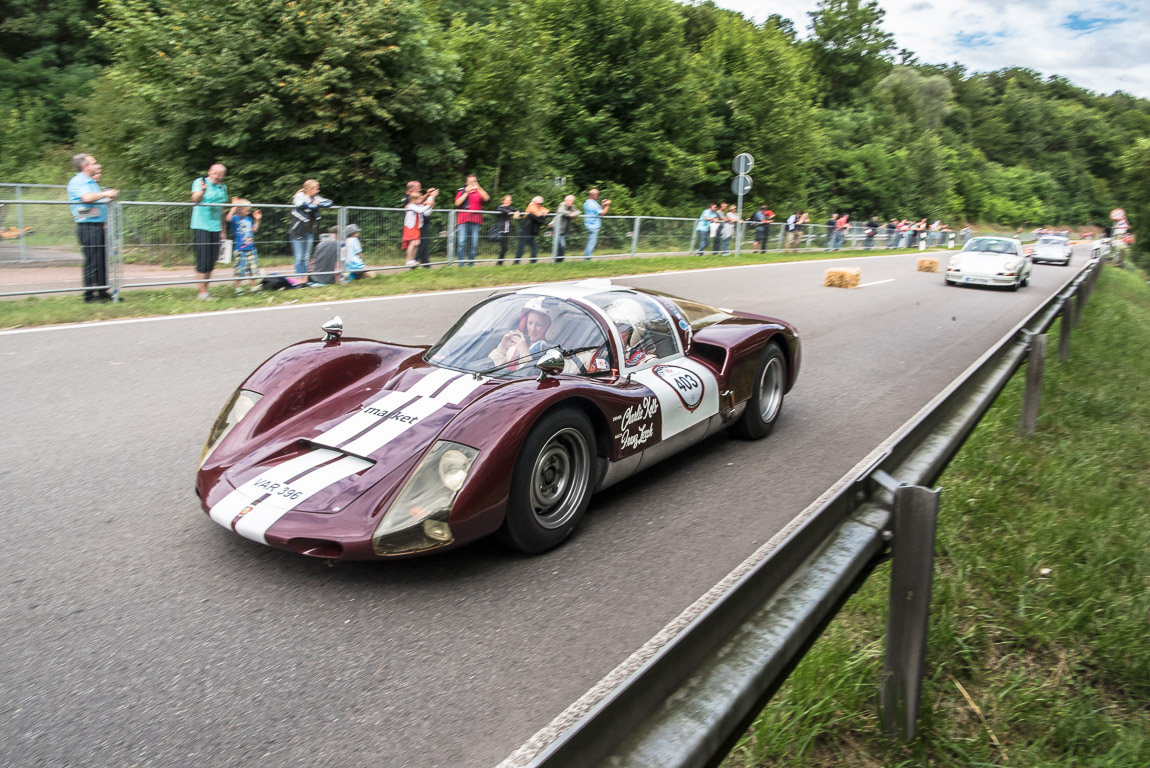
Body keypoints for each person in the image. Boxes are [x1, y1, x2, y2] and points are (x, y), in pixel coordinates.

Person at [67, 153, 119, 302]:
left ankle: (103, 292)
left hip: (98, 225)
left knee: (101, 261)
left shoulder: (91, 182)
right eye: (94, 163)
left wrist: (109, 197)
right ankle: (89, 296)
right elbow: (87, 198)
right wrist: (106, 193)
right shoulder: (78, 181)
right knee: (92, 261)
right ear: (85, 166)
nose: (97, 166)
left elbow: (96, 201)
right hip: (87, 226)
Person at [190, 163, 228, 300]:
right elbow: (194, 200)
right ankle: (202, 293)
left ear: (223, 175)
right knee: (203, 261)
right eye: (214, 172)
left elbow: (222, 210)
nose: (217, 176)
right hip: (201, 225)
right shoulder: (200, 182)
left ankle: (206, 291)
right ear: (209, 172)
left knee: (211, 261)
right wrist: (203, 191)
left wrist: (223, 230)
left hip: (216, 227)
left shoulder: (222, 187)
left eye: (220, 174)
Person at [489, 298, 553, 369]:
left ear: (548, 327)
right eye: (530, 323)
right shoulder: (515, 346)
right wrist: (503, 347)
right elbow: (494, 368)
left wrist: (524, 354)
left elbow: (531, 376)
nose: (532, 329)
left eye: (539, 325)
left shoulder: (551, 354)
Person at [289, 179, 332, 277]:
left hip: (309, 230)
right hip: (297, 232)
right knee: (299, 257)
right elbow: (300, 204)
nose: (318, 191)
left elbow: (329, 203)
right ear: (310, 189)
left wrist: (319, 204)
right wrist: (314, 205)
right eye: (317, 188)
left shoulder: (316, 197)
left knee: (306, 256)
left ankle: (305, 277)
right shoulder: (300, 196)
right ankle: (299, 278)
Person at [226, 198, 262, 293]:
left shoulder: (248, 219)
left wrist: (257, 220)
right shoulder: (235, 218)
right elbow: (228, 219)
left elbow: (254, 230)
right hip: (239, 249)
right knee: (239, 269)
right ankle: (238, 288)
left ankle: (253, 287)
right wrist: (233, 207)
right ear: (240, 209)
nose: (249, 212)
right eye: (247, 210)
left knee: (253, 269)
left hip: (251, 248)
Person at [454, 174, 489, 266]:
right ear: (466, 183)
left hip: (476, 221)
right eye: (470, 181)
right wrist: (466, 192)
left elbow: (487, 198)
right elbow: (457, 203)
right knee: (461, 243)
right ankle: (461, 265)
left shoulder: (478, 192)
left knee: (474, 243)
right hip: (463, 220)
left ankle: (471, 264)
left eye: (474, 181)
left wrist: (479, 187)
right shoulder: (461, 191)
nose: (472, 183)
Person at [403, 188, 438, 267]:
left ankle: (412, 260)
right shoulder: (411, 205)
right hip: (410, 227)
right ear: (414, 199)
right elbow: (420, 211)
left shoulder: (419, 205)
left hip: (417, 227)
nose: (421, 200)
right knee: (412, 243)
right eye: (419, 199)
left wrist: (430, 206)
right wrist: (428, 205)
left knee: (417, 243)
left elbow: (426, 213)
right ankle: (408, 260)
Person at [516, 196, 549, 263]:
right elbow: (538, 215)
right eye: (538, 203)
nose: (540, 205)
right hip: (525, 231)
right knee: (521, 248)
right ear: (534, 202)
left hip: (531, 232)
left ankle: (533, 262)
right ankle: (516, 262)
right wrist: (542, 213)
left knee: (535, 247)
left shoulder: (538, 207)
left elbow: (547, 210)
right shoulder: (531, 206)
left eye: (541, 204)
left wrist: (543, 212)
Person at [582, 188, 610, 260]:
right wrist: (607, 205)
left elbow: (598, 210)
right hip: (594, 225)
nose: (597, 196)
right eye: (597, 194)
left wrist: (603, 205)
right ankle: (587, 260)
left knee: (590, 243)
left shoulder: (587, 203)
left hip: (589, 224)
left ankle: (586, 259)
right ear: (593, 195)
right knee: (591, 244)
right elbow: (602, 213)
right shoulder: (593, 203)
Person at [494, 195, 520, 265]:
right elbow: (500, 209)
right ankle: (499, 262)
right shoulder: (500, 206)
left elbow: (517, 209)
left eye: (510, 200)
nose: (509, 201)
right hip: (499, 230)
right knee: (504, 247)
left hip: (506, 231)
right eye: (507, 200)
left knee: (505, 248)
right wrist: (509, 211)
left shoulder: (509, 208)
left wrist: (517, 212)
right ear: (503, 201)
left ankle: (499, 262)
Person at [553, 194, 579, 262]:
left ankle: (560, 260)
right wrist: (570, 214)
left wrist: (574, 214)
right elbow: (560, 211)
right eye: (571, 201)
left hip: (563, 229)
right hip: (557, 228)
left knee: (562, 245)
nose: (572, 202)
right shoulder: (562, 204)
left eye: (573, 201)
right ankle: (557, 261)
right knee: (560, 245)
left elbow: (578, 211)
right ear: (567, 200)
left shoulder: (572, 206)